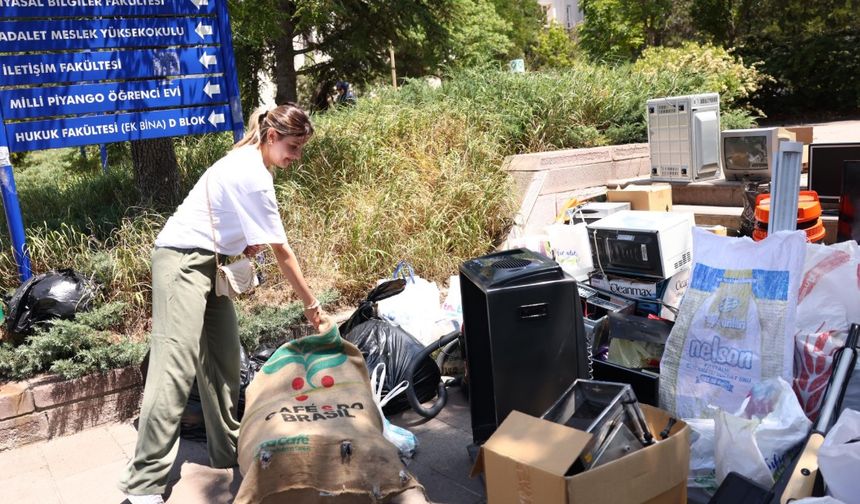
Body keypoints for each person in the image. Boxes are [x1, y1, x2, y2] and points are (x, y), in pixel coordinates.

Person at [118, 103, 323, 504]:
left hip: (209, 263)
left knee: (225, 357)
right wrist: (312, 306)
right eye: (293, 147)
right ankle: (144, 482)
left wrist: (239, 243)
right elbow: (283, 253)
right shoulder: (253, 175)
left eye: (301, 149)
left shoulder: (252, 163)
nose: (296, 157)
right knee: (174, 368)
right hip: (180, 262)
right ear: (272, 137)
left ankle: (228, 449)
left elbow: (232, 220)